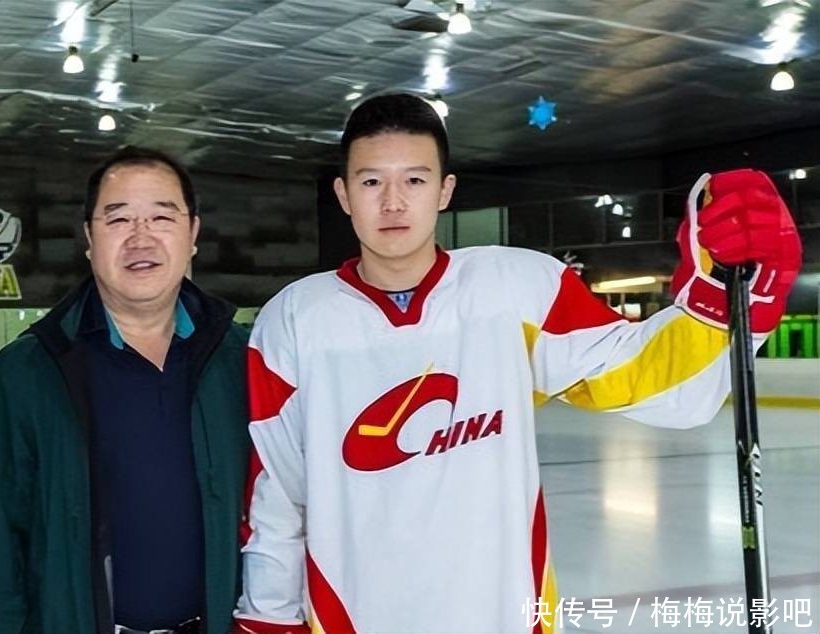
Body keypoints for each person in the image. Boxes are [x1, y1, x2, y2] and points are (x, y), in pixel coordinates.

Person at [234, 93, 801, 634]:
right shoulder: (294, 321)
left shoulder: (518, 289)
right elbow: (278, 493)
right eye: (371, 181)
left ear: (445, 190)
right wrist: (268, 618)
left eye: (415, 180)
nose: (393, 202)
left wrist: (726, 298)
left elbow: (652, 384)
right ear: (342, 194)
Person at [0, 146, 250, 634]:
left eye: (162, 217)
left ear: (193, 235)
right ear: (89, 239)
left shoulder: (242, 359)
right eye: (118, 220)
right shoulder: (27, 372)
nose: (141, 238)